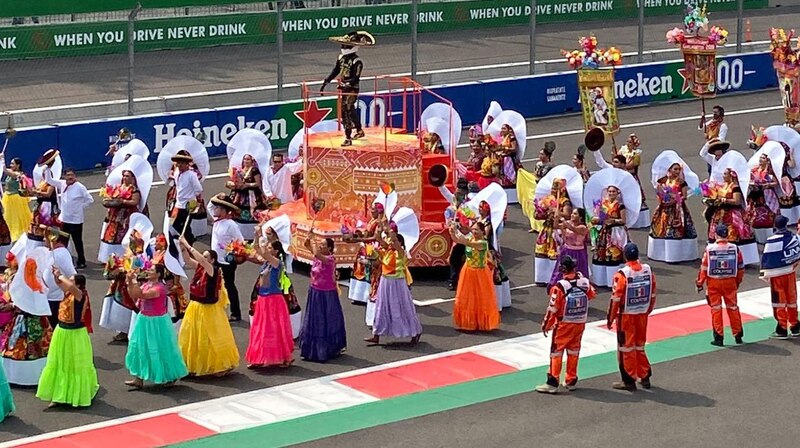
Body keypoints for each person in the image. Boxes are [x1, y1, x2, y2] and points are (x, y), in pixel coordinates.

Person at [178, 237, 240, 377]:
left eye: (206, 257)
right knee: (193, 337)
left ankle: (218, 365)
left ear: (212, 260)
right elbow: (188, 260)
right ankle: (192, 365)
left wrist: (188, 244)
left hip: (208, 308)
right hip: (195, 307)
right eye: (204, 256)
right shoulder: (201, 268)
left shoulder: (213, 270)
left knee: (211, 337)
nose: (203, 258)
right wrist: (182, 247)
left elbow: (201, 260)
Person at [35, 271, 98, 408]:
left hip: (75, 333)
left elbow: (69, 286)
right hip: (62, 331)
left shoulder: (80, 294)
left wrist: (61, 274)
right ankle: (58, 394)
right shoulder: (70, 293)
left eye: (72, 280)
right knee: (59, 362)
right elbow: (60, 284)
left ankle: (75, 394)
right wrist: (56, 276)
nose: (68, 281)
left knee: (75, 364)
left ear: (79, 284)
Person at [536, 256, 596, 394]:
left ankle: (552, 382)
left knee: (556, 352)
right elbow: (591, 294)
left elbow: (553, 308)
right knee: (574, 351)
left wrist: (546, 324)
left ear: (562, 269)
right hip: (580, 322)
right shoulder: (584, 282)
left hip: (564, 324)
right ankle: (571, 380)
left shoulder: (560, 287)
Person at [124, 264, 188, 388]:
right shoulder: (147, 285)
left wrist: (133, 280)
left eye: (151, 270)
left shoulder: (159, 288)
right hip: (144, 319)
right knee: (138, 346)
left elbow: (142, 295)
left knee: (161, 348)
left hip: (157, 322)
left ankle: (171, 375)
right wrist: (130, 283)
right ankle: (138, 377)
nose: (148, 271)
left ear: (158, 274)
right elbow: (133, 295)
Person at [607, 243, 655, 392]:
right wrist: (648, 310)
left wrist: (610, 318)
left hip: (626, 316)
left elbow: (615, 299)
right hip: (642, 314)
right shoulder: (648, 270)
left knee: (625, 349)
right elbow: (653, 293)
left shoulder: (622, 274)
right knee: (640, 345)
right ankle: (644, 376)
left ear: (625, 256)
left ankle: (628, 380)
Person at [364, 222, 422, 345]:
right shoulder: (387, 251)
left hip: (398, 283)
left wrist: (391, 231)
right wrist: (379, 231)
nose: (390, 242)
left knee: (403, 308)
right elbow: (380, 240)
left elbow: (395, 243)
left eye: (393, 240)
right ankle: (376, 334)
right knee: (381, 308)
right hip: (385, 282)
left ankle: (415, 332)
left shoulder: (401, 253)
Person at [246, 238, 295, 369]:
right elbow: (256, 250)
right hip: (263, 298)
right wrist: (257, 234)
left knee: (274, 329)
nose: (267, 250)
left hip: (273, 299)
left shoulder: (276, 262)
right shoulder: (267, 262)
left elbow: (263, 253)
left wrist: (262, 242)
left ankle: (282, 356)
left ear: (276, 251)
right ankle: (259, 357)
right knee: (260, 329)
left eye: (269, 248)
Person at [299, 237, 347, 362]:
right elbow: (307, 245)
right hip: (315, 291)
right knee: (314, 320)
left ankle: (327, 348)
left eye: (323, 245)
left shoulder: (330, 259)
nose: (320, 246)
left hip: (326, 294)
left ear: (330, 248)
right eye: (320, 244)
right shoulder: (318, 257)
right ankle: (311, 349)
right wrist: (309, 238)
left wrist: (313, 242)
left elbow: (315, 252)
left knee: (326, 320)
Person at [321, 31, 373, 146]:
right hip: (344, 88)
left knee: (347, 109)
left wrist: (346, 84)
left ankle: (348, 137)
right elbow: (335, 71)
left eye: (346, 45)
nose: (343, 47)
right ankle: (359, 130)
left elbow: (355, 78)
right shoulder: (341, 58)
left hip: (352, 89)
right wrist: (326, 81)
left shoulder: (357, 61)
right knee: (347, 110)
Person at [696, 224, 745, 346]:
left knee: (716, 309)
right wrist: (737, 281)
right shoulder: (735, 248)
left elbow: (704, 268)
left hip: (714, 283)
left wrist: (699, 283)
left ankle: (719, 338)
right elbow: (740, 267)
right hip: (730, 282)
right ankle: (738, 335)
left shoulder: (710, 249)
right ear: (727, 234)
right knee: (733, 308)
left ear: (716, 234)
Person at [449, 221, 500, 332]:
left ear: (483, 231)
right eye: (473, 229)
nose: (474, 232)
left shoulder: (483, 243)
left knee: (479, 298)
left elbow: (466, 242)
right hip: (468, 271)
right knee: (467, 297)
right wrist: (452, 231)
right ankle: (467, 322)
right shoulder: (471, 239)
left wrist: (457, 231)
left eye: (476, 230)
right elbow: (458, 240)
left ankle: (480, 322)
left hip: (480, 273)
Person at [648, 158, 699, 263]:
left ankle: (675, 255)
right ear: (669, 169)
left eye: (678, 169)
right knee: (660, 228)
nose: (677, 171)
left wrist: (674, 196)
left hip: (677, 209)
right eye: (675, 169)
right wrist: (661, 194)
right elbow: (659, 193)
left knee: (676, 230)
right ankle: (661, 254)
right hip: (664, 208)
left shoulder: (682, 183)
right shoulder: (662, 181)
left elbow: (684, 197)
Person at [45, 168, 93, 269]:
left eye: (72, 175)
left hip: (76, 221)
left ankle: (81, 261)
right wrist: (48, 168)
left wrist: (79, 207)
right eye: (68, 175)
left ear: (75, 176)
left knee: (77, 242)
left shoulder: (80, 187)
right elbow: (49, 180)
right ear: (64, 176)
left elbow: (90, 200)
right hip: (64, 220)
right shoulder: (62, 184)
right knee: (63, 242)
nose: (70, 177)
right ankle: (63, 261)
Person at [207, 194, 245, 322]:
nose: (214, 209)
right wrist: (218, 196)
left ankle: (235, 312)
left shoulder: (231, 225)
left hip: (226, 262)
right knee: (213, 286)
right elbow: (209, 205)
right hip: (215, 261)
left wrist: (230, 251)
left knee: (229, 286)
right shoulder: (217, 221)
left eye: (218, 207)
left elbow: (240, 242)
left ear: (224, 210)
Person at [762, 215, 800, 339]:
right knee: (792, 300)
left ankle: (782, 329)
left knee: (779, 302)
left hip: (777, 275)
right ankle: (795, 326)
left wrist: (765, 275)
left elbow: (766, 260)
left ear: (775, 226)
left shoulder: (772, 240)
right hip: (790, 273)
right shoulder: (794, 237)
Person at [98, 170, 143, 262]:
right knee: (110, 236)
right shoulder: (118, 187)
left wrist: (123, 201)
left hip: (126, 216)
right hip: (114, 216)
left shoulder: (134, 190)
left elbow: (135, 202)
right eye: (124, 176)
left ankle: (123, 257)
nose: (125, 178)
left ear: (132, 178)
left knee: (123, 236)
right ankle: (109, 258)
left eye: (127, 176)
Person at [534, 178, 573, 285]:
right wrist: (541, 212)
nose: (554, 190)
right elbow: (536, 215)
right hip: (547, 229)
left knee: (556, 252)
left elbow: (567, 215)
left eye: (557, 188)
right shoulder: (547, 199)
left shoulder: (564, 201)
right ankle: (542, 278)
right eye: (553, 187)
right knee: (542, 250)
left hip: (558, 229)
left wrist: (556, 212)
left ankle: (556, 277)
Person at [346, 202, 383, 304]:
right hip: (365, 246)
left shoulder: (379, 223)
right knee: (359, 268)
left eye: (374, 210)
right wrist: (359, 234)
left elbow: (375, 237)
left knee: (368, 270)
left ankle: (366, 295)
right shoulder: (372, 220)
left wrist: (362, 238)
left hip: (371, 248)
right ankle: (358, 296)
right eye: (371, 209)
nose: (371, 212)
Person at [226, 153, 268, 235]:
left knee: (253, 213)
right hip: (240, 195)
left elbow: (258, 183)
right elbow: (234, 181)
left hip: (252, 196)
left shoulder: (254, 170)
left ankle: (253, 234)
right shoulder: (239, 170)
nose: (246, 161)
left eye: (248, 159)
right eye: (245, 159)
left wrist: (247, 185)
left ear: (252, 161)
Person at [439, 178, 470, 291]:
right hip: (456, 236)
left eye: (461, 194)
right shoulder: (453, 202)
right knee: (454, 259)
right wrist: (439, 183)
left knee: (468, 259)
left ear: (465, 193)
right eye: (457, 193)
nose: (458, 195)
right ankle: (453, 280)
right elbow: (444, 191)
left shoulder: (469, 205)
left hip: (467, 236)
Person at [44, 228, 77, 328]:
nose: (43, 240)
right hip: (48, 297)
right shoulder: (51, 252)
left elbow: (72, 275)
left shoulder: (62, 253)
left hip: (57, 299)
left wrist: (67, 292)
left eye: (45, 238)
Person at [549, 208, 590, 287]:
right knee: (561, 269)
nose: (572, 215)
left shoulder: (583, 227)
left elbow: (572, 228)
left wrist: (562, 218)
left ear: (580, 217)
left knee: (578, 271)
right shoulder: (567, 223)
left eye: (575, 214)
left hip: (578, 253)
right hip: (566, 250)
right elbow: (556, 226)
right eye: (572, 213)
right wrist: (556, 218)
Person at [170, 150, 204, 246]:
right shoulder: (177, 173)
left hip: (188, 205)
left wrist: (196, 203)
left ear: (187, 164)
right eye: (178, 163)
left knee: (185, 225)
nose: (179, 165)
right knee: (174, 224)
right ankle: (189, 238)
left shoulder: (191, 175)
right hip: (178, 204)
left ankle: (189, 242)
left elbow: (198, 190)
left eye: (181, 163)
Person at [28, 150, 61, 246]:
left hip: (47, 207)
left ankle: (49, 245)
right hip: (41, 205)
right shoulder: (43, 182)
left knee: (47, 227)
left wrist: (36, 192)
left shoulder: (51, 182)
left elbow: (48, 194)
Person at [617, 134, 649, 229]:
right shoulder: (623, 150)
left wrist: (621, 163)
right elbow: (616, 158)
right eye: (627, 141)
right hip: (622, 177)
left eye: (630, 142)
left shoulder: (636, 154)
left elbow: (631, 165)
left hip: (631, 177)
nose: (628, 144)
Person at [748, 153, 780, 243]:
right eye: (760, 158)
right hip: (756, 196)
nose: (760, 159)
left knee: (769, 216)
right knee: (756, 216)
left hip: (767, 195)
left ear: (767, 160)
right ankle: (759, 238)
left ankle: (771, 235)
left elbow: (775, 182)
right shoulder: (754, 170)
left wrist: (767, 184)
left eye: (763, 158)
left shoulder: (770, 171)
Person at [0, 155, 32, 242]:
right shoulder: (11, 172)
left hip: (16, 199)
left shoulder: (18, 174)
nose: (10, 165)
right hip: (8, 198)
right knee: (7, 216)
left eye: (12, 164)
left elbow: (5, 170)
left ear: (18, 165)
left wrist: (2, 159)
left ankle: (18, 234)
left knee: (16, 217)